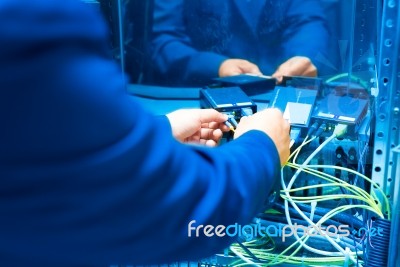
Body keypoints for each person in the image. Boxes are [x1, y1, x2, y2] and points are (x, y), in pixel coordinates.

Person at [0, 0, 290, 266]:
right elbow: (178, 211)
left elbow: (44, 144)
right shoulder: (31, 22)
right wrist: (262, 147)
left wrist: (160, 131)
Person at [149, 0, 331, 86]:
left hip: (278, 94)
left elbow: (308, 21)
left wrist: (304, 56)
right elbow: (164, 42)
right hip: (196, 97)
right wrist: (216, 66)